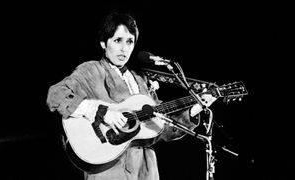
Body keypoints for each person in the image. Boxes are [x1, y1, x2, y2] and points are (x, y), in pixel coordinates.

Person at [46, 11, 216, 180]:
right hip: (109, 167)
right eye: (117, 40)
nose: (124, 48)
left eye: (129, 42)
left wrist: (195, 109)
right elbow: (56, 95)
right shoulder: (91, 71)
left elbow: (162, 130)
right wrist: (102, 112)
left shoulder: (141, 80)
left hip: (145, 169)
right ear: (104, 43)